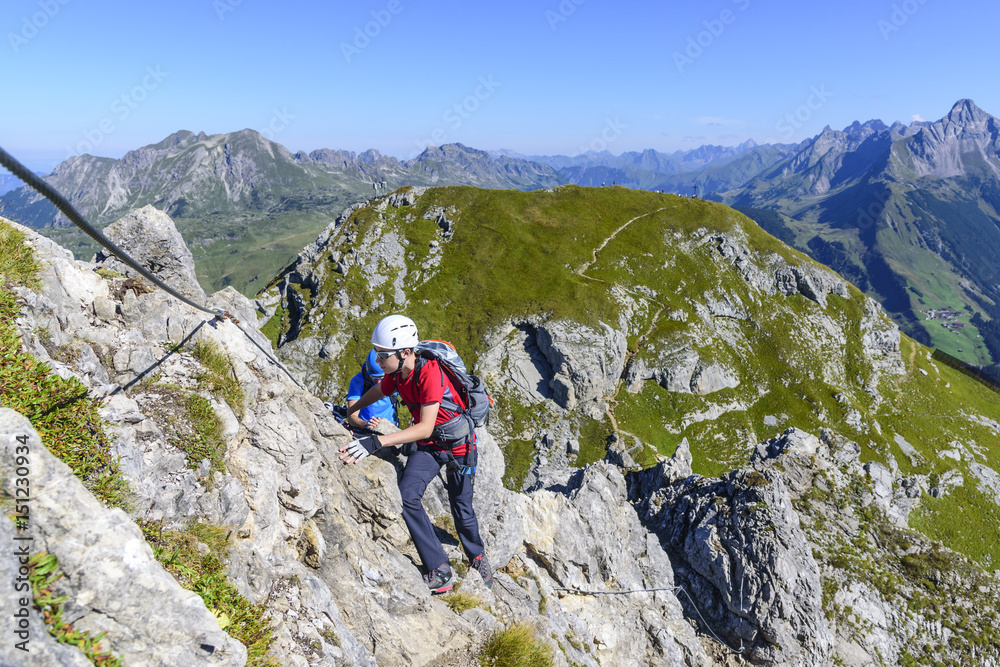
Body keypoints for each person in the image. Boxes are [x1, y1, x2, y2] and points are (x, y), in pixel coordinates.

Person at [339, 314, 493, 594]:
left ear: (405, 352)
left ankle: (478, 557)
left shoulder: (429, 372)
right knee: (407, 495)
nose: (379, 359)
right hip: (433, 446)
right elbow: (376, 391)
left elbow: (424, 427)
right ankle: (440, 569)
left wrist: (378, 443)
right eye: (378, 353)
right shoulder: (397, 376)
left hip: (459, 447)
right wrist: (350, 412)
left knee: (462, 508)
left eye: (383, 354)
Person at [345, 349, 398, 432]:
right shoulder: (359, 381)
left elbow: (416, 402)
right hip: (364, 428)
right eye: (375, 378)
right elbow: (352, 416)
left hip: (389, 428)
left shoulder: (394, 378)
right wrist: (366, 424)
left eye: (382, 378)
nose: (379, 383)